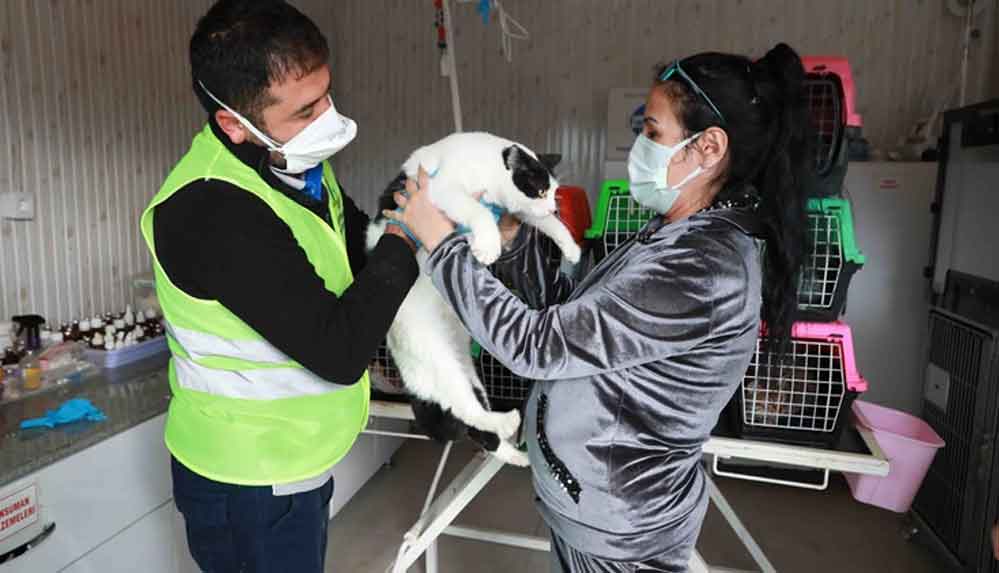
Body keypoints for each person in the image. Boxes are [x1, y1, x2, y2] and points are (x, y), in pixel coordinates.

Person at [386, 43, 812, 572]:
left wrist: (445, 246)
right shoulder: (675, 234)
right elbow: (569, 316)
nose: (639, 145)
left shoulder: (703, 268)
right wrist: (516, 239)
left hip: (621, 526)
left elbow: (537, 346)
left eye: (653, 132)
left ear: (709, 147)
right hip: (594, 507)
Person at [139, 1, 419, 571]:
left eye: (327, 95)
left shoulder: (288, 164)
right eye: (306, 110)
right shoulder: (212, 210)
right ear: (233, 123)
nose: (329, 118)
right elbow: (339, 352)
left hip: (292, 460)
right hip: (248, 479)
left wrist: (415, 221)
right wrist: (409, 238)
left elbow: (355, 245)